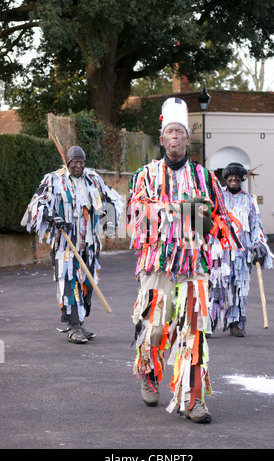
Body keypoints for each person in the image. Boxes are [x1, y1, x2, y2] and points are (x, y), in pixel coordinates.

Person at [127, 97, 241, 423]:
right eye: (169, 133)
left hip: (194, 266)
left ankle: (193, 400)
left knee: (194, 331)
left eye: (180, 132)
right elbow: (137, 217)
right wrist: (182, 212)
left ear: (188, 139)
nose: (175, 138)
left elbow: (216, 218)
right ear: (161, 140)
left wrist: (210, 228)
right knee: (154, 325)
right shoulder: (145, 176)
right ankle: (148, 370)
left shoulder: (206, 177)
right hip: (156, 263)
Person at [21, 145, 122, 344]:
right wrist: (52, 217)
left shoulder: (93, 179)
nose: (78, 166)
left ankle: (80, 323)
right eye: (75, 162)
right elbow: (36, 203)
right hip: (65, 245)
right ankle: (73, 326)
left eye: (82, 162)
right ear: (67, 162)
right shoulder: (53, 179)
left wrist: (108, 220)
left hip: (90, 244)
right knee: (70, 283)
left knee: (88, 284)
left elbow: (111, 198)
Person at [208, 162, 274, 337]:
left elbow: (256, 224)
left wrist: (259, 245)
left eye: (237, 176)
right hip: (220, 252)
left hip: (241, 255)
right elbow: (209, 221)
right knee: (216, 287)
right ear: (226, 178)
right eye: (230, 176)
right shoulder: (217, 197)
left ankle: (234, 323)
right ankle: (209, 324)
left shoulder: (249, 200)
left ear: (242, 178)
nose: (233, 179)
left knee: (237, 288)